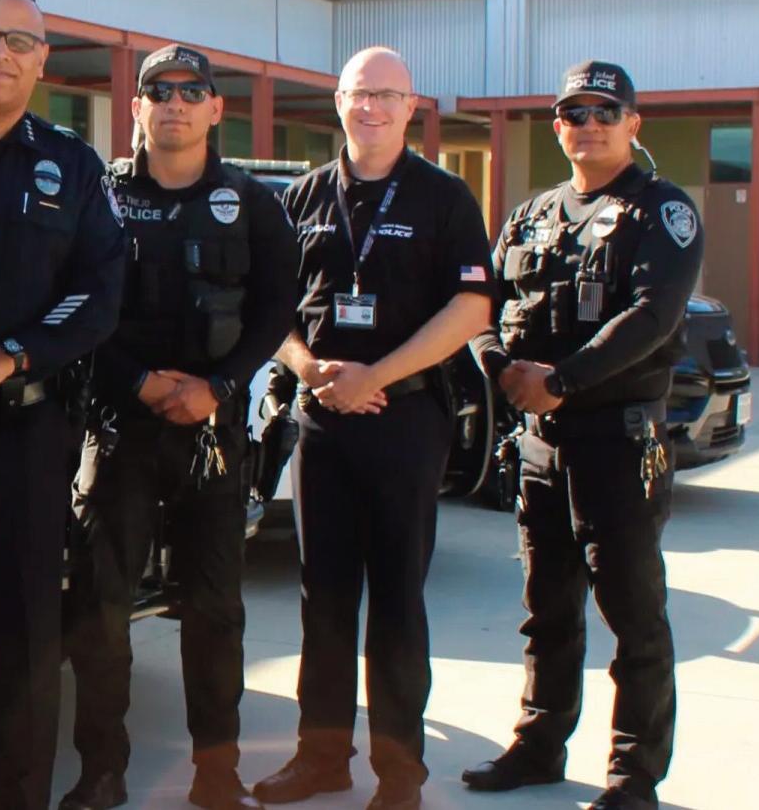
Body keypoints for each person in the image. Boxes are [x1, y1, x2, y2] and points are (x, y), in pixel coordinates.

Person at [252, 47, 491, 810]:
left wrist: (374, 376)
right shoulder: (304, 196)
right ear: (339, 102)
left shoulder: (445, 197)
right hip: (323, 421)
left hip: (405, 420)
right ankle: (321, 758)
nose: (372, 107)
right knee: (322, 600)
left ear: (410, 106)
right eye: (360, 93)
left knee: (396, 603)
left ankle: (399, 774)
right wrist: (308, 367)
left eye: (387, 95)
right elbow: (270, 307)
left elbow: (471, 309)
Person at [61, 45, 296, 810]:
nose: (175, 104)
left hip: (210, 435)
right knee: (100, 609)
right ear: (137, 107)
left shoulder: (250, 201)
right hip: (117, 428)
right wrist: (137, 381)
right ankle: (102, 771)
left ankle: (216, 774)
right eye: (158, 92)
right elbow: (74, 306)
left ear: (216, 109)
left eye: (192, 92)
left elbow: (276, 309)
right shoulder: (100, 197)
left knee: (214, 611)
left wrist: (219, 388)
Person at [460, 61, 700, 810]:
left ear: (633, 123)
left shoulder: (661, 210)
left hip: (617, 444)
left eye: (605, 111)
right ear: (557, 125)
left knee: (634, 619)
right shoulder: (533, 214)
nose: (589, 124)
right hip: (539, 444)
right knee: (547, 612)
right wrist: (501, 369)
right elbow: (481, 305)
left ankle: (633, 777)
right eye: (574, 112)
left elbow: (652, 317)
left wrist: (560, 381)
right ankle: (538, 747)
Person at [0, 0, 127, 810]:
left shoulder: (71, 165)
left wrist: (8, 357)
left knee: (22, 652)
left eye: (19, 41)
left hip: (20, 439)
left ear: (43, 61)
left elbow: (101, 292)